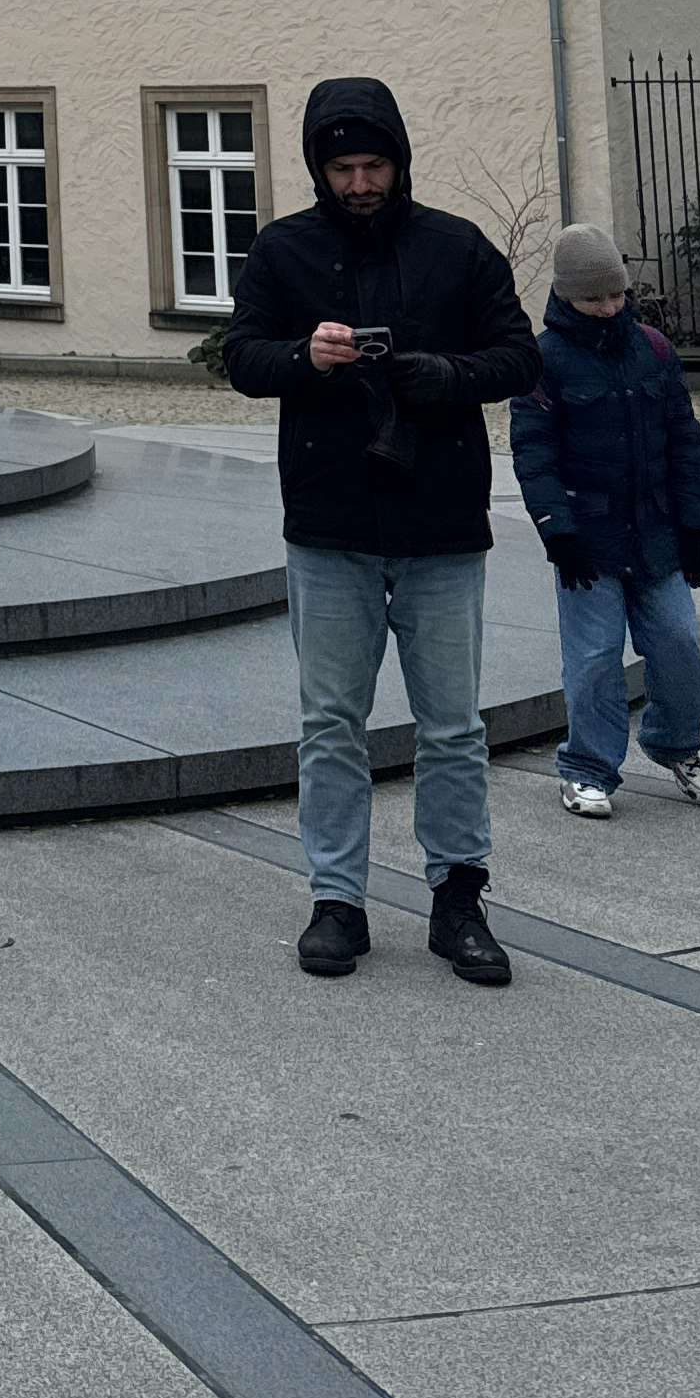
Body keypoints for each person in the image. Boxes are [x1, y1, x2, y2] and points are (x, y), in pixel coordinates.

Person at [223, 76, 539, 987]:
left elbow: (520, 355)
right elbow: (240, 357)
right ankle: (337, 901)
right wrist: (302, 358)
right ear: (321, 171)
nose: (360, 181)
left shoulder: (458, 247)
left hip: (440, 519)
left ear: (399, 163)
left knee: (451, 725)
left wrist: (444, 372)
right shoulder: (282, 250)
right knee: (330, 722)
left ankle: (458, 897)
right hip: (328, 521)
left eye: (374, 165)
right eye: (343, 167)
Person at [512, 222, 700, 818]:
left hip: (657, 536)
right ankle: (586, 768)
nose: (607, 308)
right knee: (595, 659)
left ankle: (675, 744)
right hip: (589, 541)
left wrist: (697, 527)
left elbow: (686, 440)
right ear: (567, 296)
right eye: (593, 298)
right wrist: (558, 532)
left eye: (615, 295)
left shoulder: (653, 349)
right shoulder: (543, 359)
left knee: (680, 645)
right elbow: (533, 453)